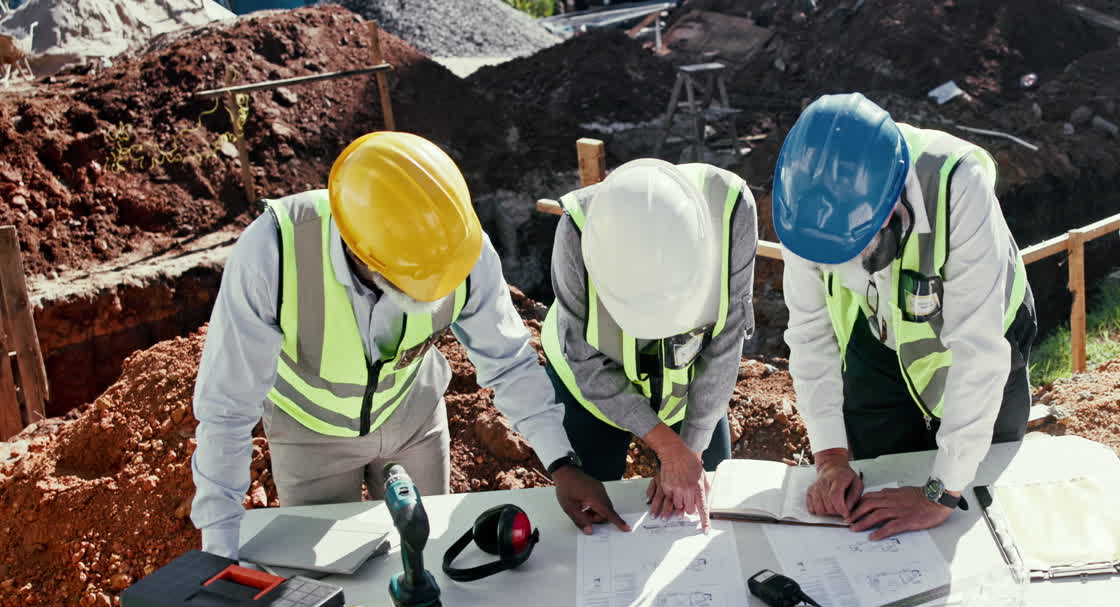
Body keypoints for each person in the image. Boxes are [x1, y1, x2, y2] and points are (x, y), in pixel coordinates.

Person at [189, 131, 623, 560]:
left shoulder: (459, 249)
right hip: (310, 436)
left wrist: (561, 463)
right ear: (362, 253)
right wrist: (219, 543)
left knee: (426, 555)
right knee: (323, 577)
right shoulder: (275, 252)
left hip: (413, 420)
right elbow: (227, 406)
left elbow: (509, 362)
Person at [774, 92, 1037, 544]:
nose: (845, 268)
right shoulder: (802, 207)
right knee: (883, 482)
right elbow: (810, 333)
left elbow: (977, 351)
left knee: (979, 498)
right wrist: (831, 457)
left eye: (858, 249)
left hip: (986, 329)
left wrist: (940, 493)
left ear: (892, 209)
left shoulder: (958, 183)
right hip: (875, 334)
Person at [540, 158, 758, 529]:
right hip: (590, 391)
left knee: (710, 497)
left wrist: (690, 449)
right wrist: (669, 448)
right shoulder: (577, 229)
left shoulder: (731, 210)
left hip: (688, 384)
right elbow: (586, 362)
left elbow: (726, 337)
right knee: (595, 510)